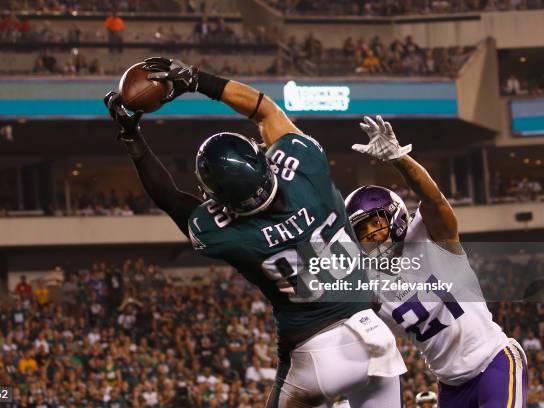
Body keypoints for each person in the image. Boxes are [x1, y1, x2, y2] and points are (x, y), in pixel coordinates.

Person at [104, 58, 405, 407]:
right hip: (375, 336)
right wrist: (197, 80)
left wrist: (132, 137)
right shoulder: (306, 166)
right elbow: (265, 111)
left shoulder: (227, 233)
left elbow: (170, 198)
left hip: (315, 354)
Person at [345, 115, 528, 407]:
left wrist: (399, 160)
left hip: (494, 360)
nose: (371, 236)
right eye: (362, 233)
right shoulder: (370, 285)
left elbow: (434, 200)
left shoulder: (430, 237)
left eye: (374, 224)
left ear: (396, 217)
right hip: (450, 384)